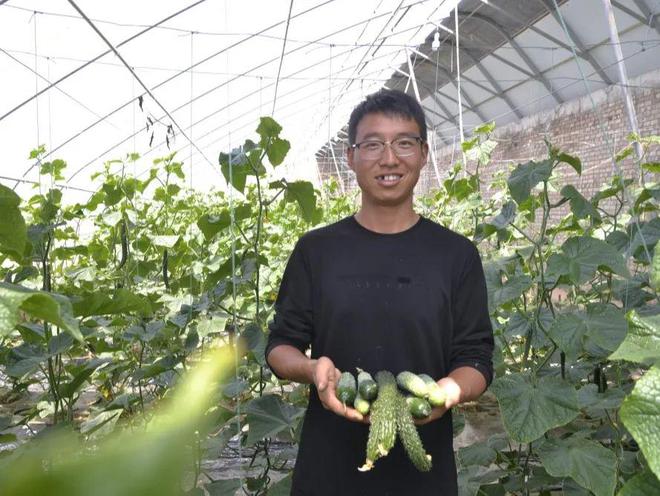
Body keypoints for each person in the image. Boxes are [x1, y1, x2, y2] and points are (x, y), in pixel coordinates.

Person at [265, 89, 494, 496]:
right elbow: (281, 346)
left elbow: (475, 357)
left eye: (404, 143)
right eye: (372, 145)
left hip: (424, 473)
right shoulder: (316, 250)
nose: (389, 159)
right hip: (327, 471)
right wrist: (313, 370)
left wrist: (447, 392)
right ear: (351, 157)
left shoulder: (456, 254)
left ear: (424, 153)